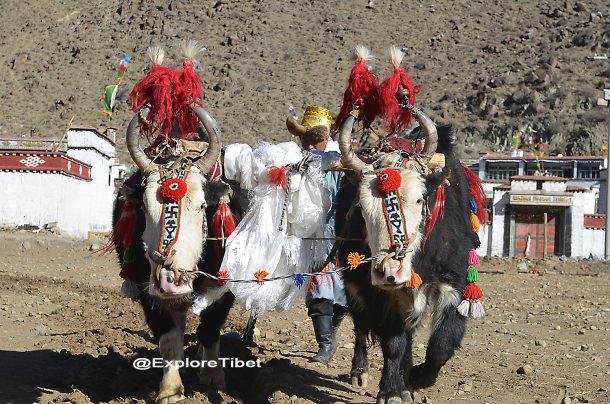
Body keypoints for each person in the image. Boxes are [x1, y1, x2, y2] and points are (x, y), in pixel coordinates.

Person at [287, 106, 348, 364]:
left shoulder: (341, 159)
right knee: (319, 289)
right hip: (312, 237)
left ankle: (330, 337)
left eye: (315, 141)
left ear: (326, 139)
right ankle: (325, 344)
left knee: (345, 295)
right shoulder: (296, 161)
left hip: (344, 236)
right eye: (305, 141)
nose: (309, 147)